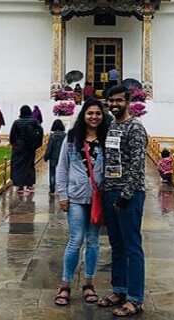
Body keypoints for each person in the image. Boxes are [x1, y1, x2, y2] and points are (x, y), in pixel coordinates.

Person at [98, 84, 148, 317]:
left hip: (129, 194)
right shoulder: (112, 126)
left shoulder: (135, 128)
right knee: (116, 245)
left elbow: (138, 165)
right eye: (111, 100)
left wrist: (125, 195)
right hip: (110, 191)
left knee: (131, 246)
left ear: (128, 101)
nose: (114, 104)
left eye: (119, 100)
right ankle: (119, 289)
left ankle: (135, 298)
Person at [54, 99, 108, 307]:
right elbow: (62, 167)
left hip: (97, 198)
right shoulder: (72, 138)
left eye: (98, 113)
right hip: (75, 197)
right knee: (75, 240)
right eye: (90, 113)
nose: (94, 117)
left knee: (93, 241)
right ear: (83, 115)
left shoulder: (106, 138)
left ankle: (89, 283)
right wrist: (62, 195)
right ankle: (65, 284)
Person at [10, 105, 44, 194]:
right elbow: (40, 131)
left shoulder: (17, 122)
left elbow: (12, 135)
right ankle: (30, 185)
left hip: (19, 147)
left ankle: (20, 186)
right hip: (30, 146)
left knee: (19, 166)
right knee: (30, 165)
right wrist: (38, 143)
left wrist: (14, 144)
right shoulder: (34, 121)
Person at [43, 119, 66, 195]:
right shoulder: (65, 135)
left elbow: (49, 147)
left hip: (53, 157)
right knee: (63, 173)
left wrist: (46, 156)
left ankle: (52, 189)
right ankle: (62, 189)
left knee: (52, 173)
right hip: (63, 157)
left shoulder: (52, 136)